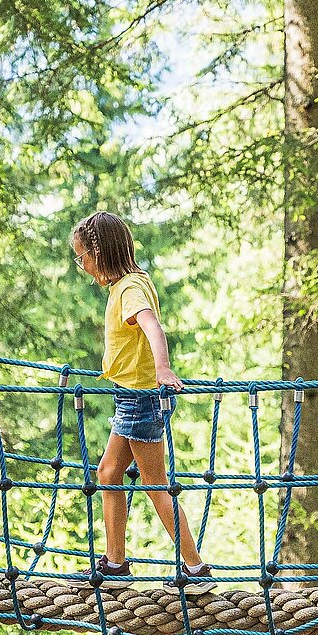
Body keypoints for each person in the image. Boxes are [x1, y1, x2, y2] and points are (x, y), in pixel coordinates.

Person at [69, 210, 213, 592]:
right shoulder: (130, 283)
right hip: (130, 397)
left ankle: (196, 569)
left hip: (140, 399)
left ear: (99, 254)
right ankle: (115, 564)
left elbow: (151, 324)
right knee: (108, 473)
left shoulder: (130, 288)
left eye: (82, 256)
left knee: (154, 485)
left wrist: (163, 368)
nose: (81, 265)